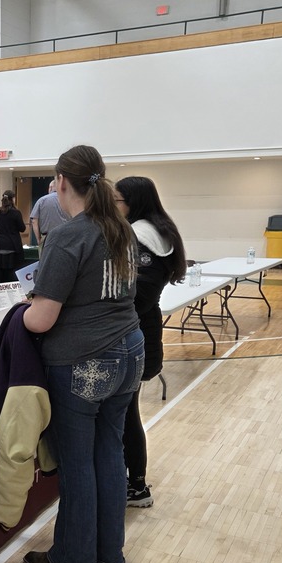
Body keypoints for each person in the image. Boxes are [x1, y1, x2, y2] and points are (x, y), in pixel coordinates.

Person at [22, 145, 144, 563]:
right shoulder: (122, 230)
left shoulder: (69, 236)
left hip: (84, 361)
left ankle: (74, 557)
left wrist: (21, 310)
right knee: (110, 452)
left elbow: (41, 318)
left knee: (77, 463)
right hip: (130, 351)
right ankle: (109, 553)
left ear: (60, 184)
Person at [114, 176, 187, 507]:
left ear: (134, 201)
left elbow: (138, 296)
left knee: (128, 414)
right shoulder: (158, 231)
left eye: (118, 200)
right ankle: (132, 481)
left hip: (136, 332)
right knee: (128, 411)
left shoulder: (141, 236)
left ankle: (137, 486)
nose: (115, 206)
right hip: (145, 329)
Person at [0, 190, 25, 281]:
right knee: (12, 271)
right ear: (13, 199)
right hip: (12, 246)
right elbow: (22, 228)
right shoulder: (16, 213)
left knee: (0, 270)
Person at [30, 179, 68, 250]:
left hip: (46, 238)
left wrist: (38, 239)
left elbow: (34, 221)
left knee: (45, 260)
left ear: (50, 187)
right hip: (65, 237)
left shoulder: (41, 201)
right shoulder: (67, 200)